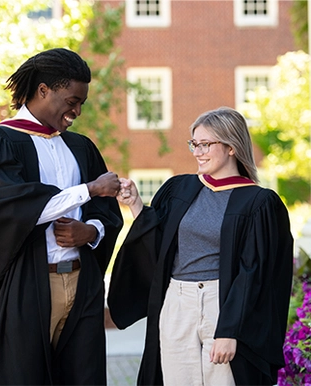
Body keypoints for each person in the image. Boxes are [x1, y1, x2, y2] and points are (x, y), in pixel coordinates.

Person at [0, 48, 123, 385]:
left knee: (82, 377)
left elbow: (106, 213)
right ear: (43, 90)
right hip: (24, 285)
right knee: (20, 376)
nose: (77, 111)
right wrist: (88, 190)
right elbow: (15, 208)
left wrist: (91, 231)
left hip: (81, 283)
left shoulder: (81, 148)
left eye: (82, 102)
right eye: (72, 100)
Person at [108, 107, 293, 386]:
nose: (197, 152)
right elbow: (161, 247)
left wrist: (230, 331)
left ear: (231, 147)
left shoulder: (258, 202)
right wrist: (136, 204)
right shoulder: (179, 188)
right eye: (194, 143)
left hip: (222, 303)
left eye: (205, 144)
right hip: (177, 302)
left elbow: (252, 272)